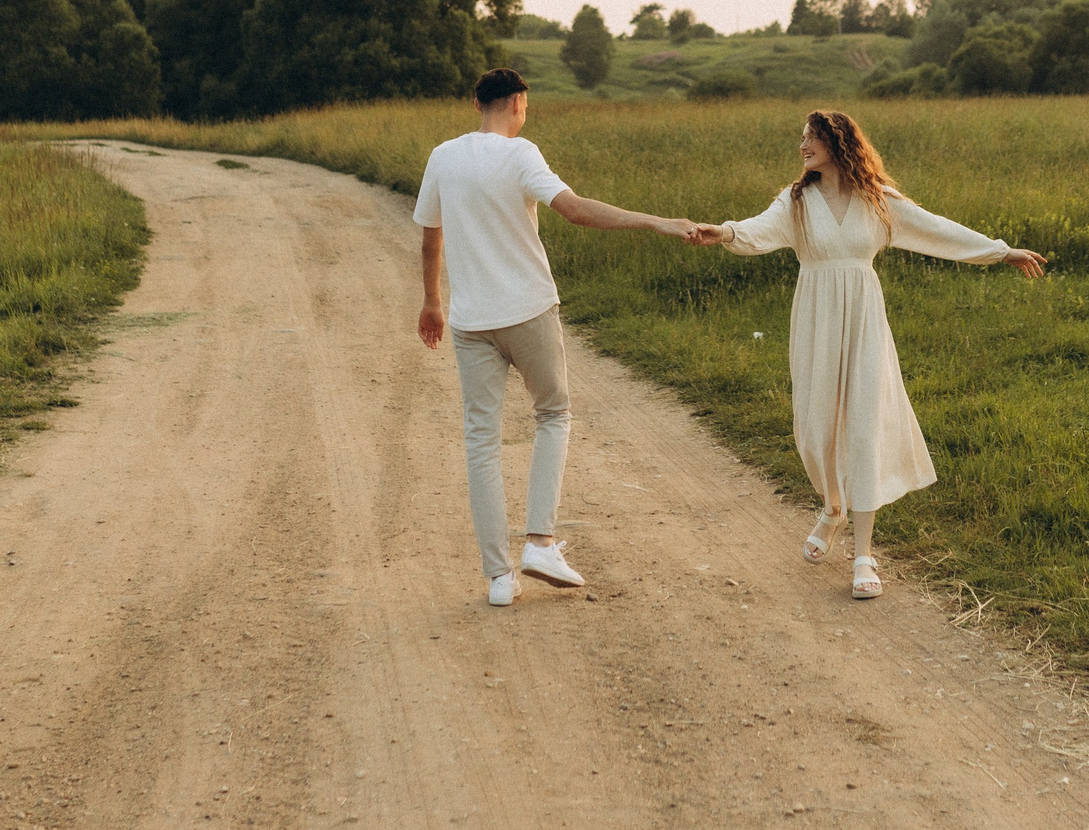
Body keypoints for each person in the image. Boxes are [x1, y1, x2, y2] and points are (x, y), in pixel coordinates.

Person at [690, 110, 1045, 599]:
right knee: (817, 429)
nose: (802, 147)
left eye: (810, 138)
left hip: (864, 321)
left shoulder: (878, 201)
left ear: (837, 143)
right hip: (816, 319)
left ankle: (863, 553)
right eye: (801, 139)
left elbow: (935, 229)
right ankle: (832, 508)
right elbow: (759, 230)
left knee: (861, 427)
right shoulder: (795, 201)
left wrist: (1000, 252)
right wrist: (723, 232)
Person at [416, 67, 705, 605]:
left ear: (476, 103)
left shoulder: (442, 156)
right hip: (527, 310)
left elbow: (431, 233)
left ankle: (500, 578)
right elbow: (574, 211)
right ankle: (540, 542)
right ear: (519, 102)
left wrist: (433, 300)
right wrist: (657, 221)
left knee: (481, 439)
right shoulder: (521, 153)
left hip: (470, 319)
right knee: (552, 413)